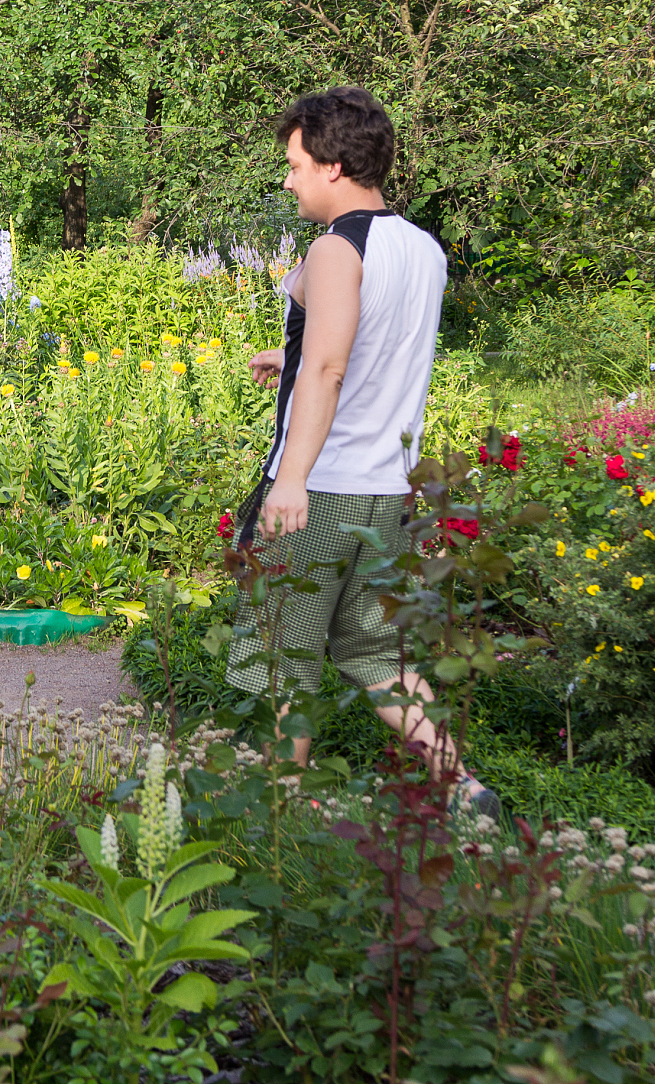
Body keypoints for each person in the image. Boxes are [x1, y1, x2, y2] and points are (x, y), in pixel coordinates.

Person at [225, 85, 498, 817]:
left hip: (323, 486)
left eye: (294, 165)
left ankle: (281, 807)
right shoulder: (423, 249)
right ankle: (461, 786)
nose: (288, 180)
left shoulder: (337, 247)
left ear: (335, 166)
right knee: (375, 654)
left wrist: (291, 479)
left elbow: (332, 367)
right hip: (388, 491)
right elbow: (377, 350)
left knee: (285, 654)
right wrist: (291, 358)